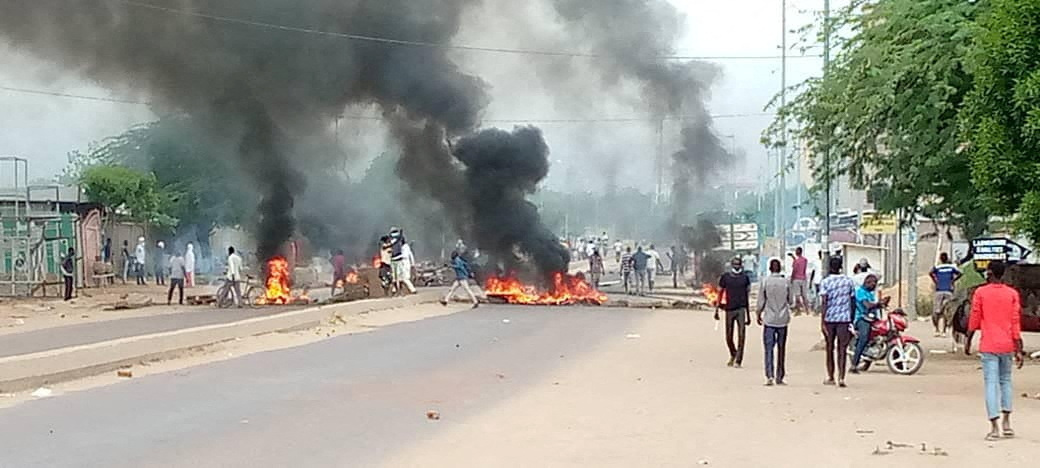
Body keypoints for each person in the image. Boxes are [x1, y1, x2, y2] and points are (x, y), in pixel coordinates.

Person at [969, 260, 1024, 441]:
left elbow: (975, 318)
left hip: (989, 346)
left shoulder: (981, 293)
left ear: (990, 273)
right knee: (1006, 381)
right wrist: (1019, 348)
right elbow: (1015, 322)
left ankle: (994, 427)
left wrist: (968, 340)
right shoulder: (1012, 294)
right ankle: (1007, 423)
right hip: (1007, 345)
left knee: (991, 384)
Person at [818, 256, 856, 387]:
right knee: (842, 349)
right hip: (844, 319)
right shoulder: (848, 281)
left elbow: (824, 302)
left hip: (829, 319)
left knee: (829, 348)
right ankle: (841, 377)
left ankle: (830, 376)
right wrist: (851, 318)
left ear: (829, 267)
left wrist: (822, 321)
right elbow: (852, 301)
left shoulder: (826, 282)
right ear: (841, 267)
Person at [757, 258, 792, 385]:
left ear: (770, 269)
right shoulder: (786, 282)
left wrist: (758, 313)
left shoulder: (765, 281)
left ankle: (769, 375)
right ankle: (780, 376)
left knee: (768, 348)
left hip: (769, 319)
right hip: (783, 319)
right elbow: (791, 300)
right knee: (781, 348)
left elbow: (761, 300)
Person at [850, 274, 889, 373]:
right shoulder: (860, 292)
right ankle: (854, 364)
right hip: (861, 319)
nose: (874, 285)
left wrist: (882, 303)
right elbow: (867, 305)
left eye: (875, 283)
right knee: (864, 338)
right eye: (872, 283)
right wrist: (878, 304)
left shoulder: (870, 293)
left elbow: (874, 306)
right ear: (866, 283)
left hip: (871, 318)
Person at [719, 257, 751, 367]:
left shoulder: (745, 278)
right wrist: (717, 309)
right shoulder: (726, 277)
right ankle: (733, 353)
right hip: (729, 309)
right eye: (735, 264)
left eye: (738, 264)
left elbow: (747, 296)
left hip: (741, 309)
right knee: (728, 336)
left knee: (742, 335)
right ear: (732, 265)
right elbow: (720, 292)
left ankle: (738, 360)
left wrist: (748, 314)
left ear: (741, 265)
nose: (737, 266)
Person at [930, 252, 963, 337]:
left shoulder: (937, 267)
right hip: (949, 290)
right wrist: (953, 281)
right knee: (946, 312)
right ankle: (944, 331)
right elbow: (960, 273)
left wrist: (936, 281)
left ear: (941, 259)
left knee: (937, 311)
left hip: (939, 290)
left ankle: (937, 330)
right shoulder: (952, 267)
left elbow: (930, 273)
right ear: (947, 258)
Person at [790, 247, 810, 315]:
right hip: (803, 278)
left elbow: (794, 270)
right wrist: (793, 258)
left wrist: (792, 278)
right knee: (804, 295)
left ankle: (798, 310)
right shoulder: (805, 260)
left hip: (796, 279)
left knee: (797, 295)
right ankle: (807, 310)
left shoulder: (796, 261)